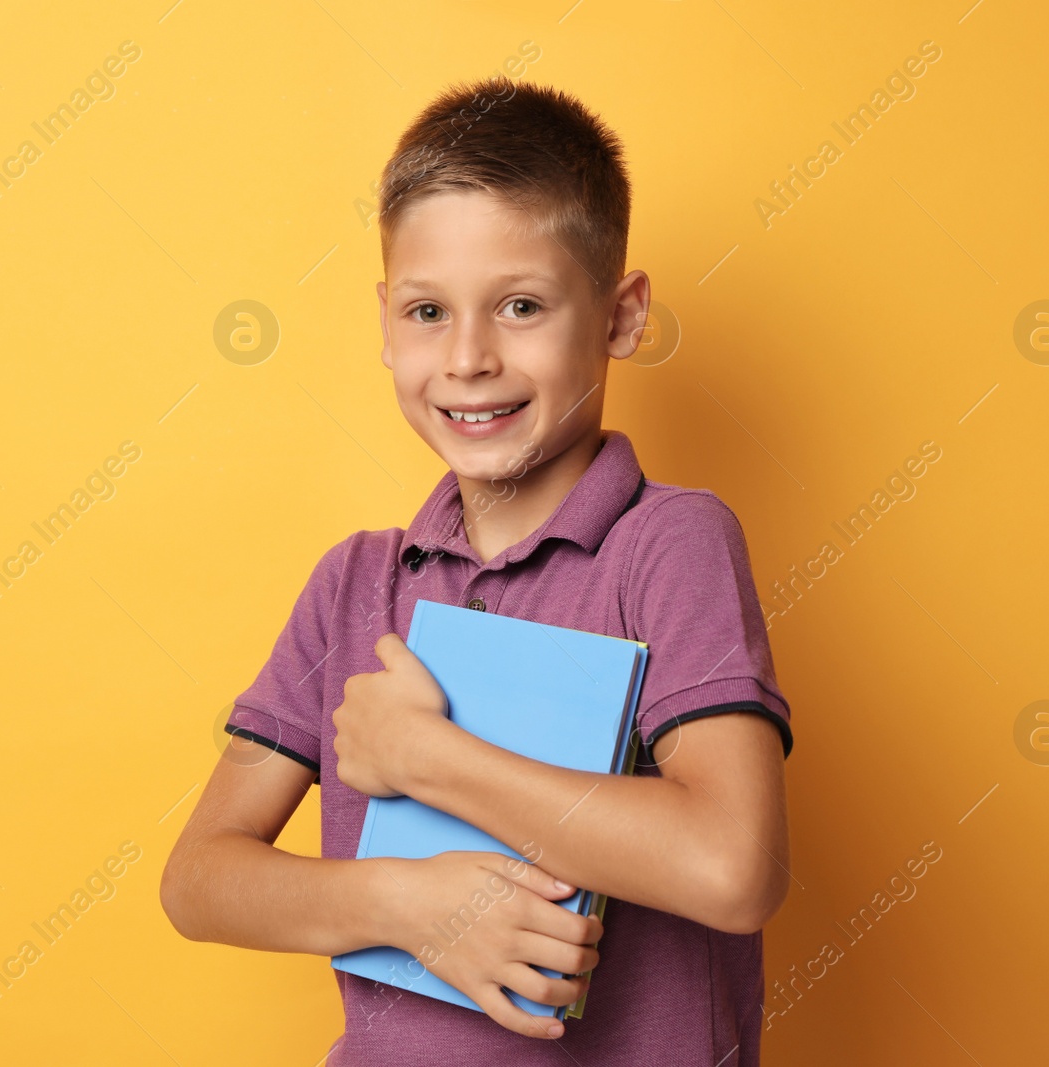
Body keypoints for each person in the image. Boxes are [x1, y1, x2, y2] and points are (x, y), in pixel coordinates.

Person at [160, 75, 794, 1066]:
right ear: (382, 320)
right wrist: (409, 905)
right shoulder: (353, 585)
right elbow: (198, 878)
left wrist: (426, 756)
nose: (466, 358)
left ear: (622, 316)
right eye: (425, 311)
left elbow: (730, 865)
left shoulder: (668, 545)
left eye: (521, 305)